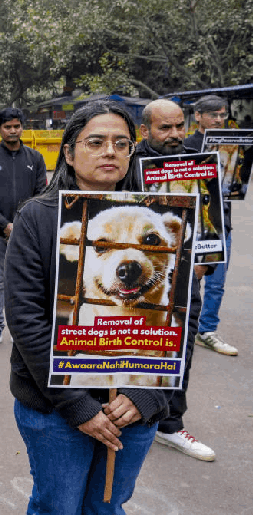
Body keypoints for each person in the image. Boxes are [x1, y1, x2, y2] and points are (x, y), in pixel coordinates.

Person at [5, 100, 168, 513]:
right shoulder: (38, 218)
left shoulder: (161, 219)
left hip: (133, 404)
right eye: (96, 142)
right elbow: (27, 319)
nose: (109, 151)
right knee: (57, 507)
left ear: (132, 152)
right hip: (55, 409)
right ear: (69, 151)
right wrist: (76, 404)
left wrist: (148, 397)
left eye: (121, 143)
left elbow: (184, 314)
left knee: (107, 507)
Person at [135, 99, 215, 461]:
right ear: (145, 130)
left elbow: (215, 213)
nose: (175, 135)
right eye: (164, 128)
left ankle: (169, 424)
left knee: (180, 348)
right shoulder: (127, 163)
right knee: (134, 347)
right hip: (140, 283)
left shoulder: (200, 161)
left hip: (186, 279)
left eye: (179, 126)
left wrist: (207, 260)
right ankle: (132, 415)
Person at [0, 107, 47, 349]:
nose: (13, 131)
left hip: (26, 234)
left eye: (17, 126)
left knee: (24, 282)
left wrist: (22, 225)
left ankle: (21, 330)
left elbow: (40, 196)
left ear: (22, 128)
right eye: (8, 127)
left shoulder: (35, 159)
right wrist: (4, 225)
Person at [184, 95, 237, 356]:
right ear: (198, 116)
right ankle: (180, 329)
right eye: (213, 115)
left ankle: (207, 331)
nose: (219, 119)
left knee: (216, 283)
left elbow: (237, 184)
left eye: (222, 114)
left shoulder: (231, 145)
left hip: (221, 223)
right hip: (192, 225)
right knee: (186, 278)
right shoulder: (186, 145)